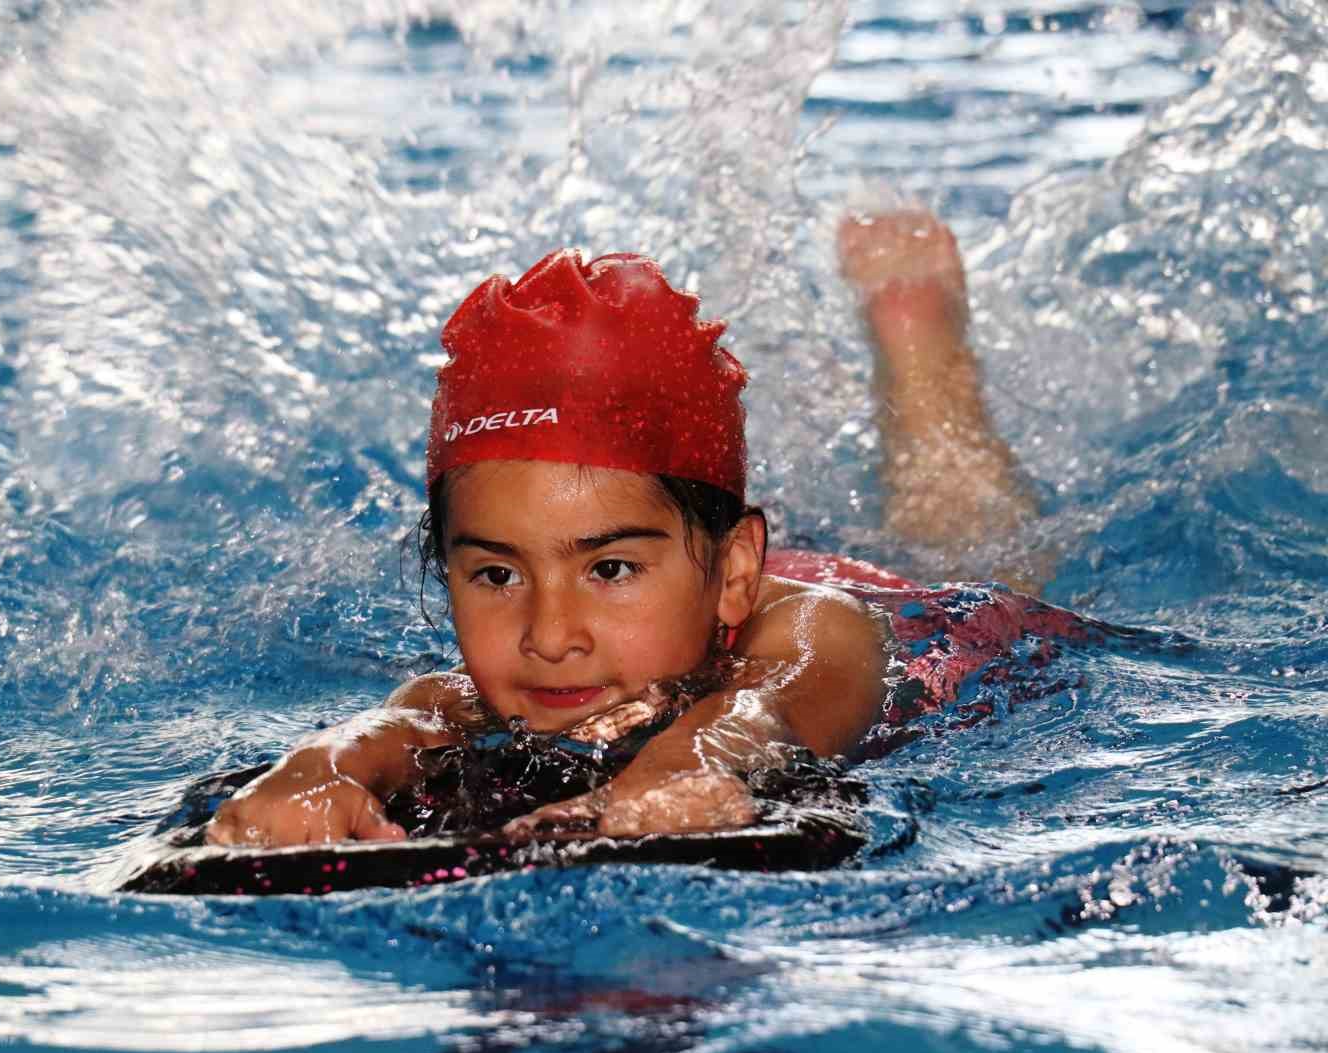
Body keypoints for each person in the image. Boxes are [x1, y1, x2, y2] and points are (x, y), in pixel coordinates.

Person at [205, 208, 1039, 848]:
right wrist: (316, 772)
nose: (550, 636)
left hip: (927, 615)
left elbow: (768, 702)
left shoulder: (819, 625)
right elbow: (398, 727)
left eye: (609, 570)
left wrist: (693, 760)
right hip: (693, 560)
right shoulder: (479, 700)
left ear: (738, 573)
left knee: (962, 531)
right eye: (497, 574)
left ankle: (919, 343)